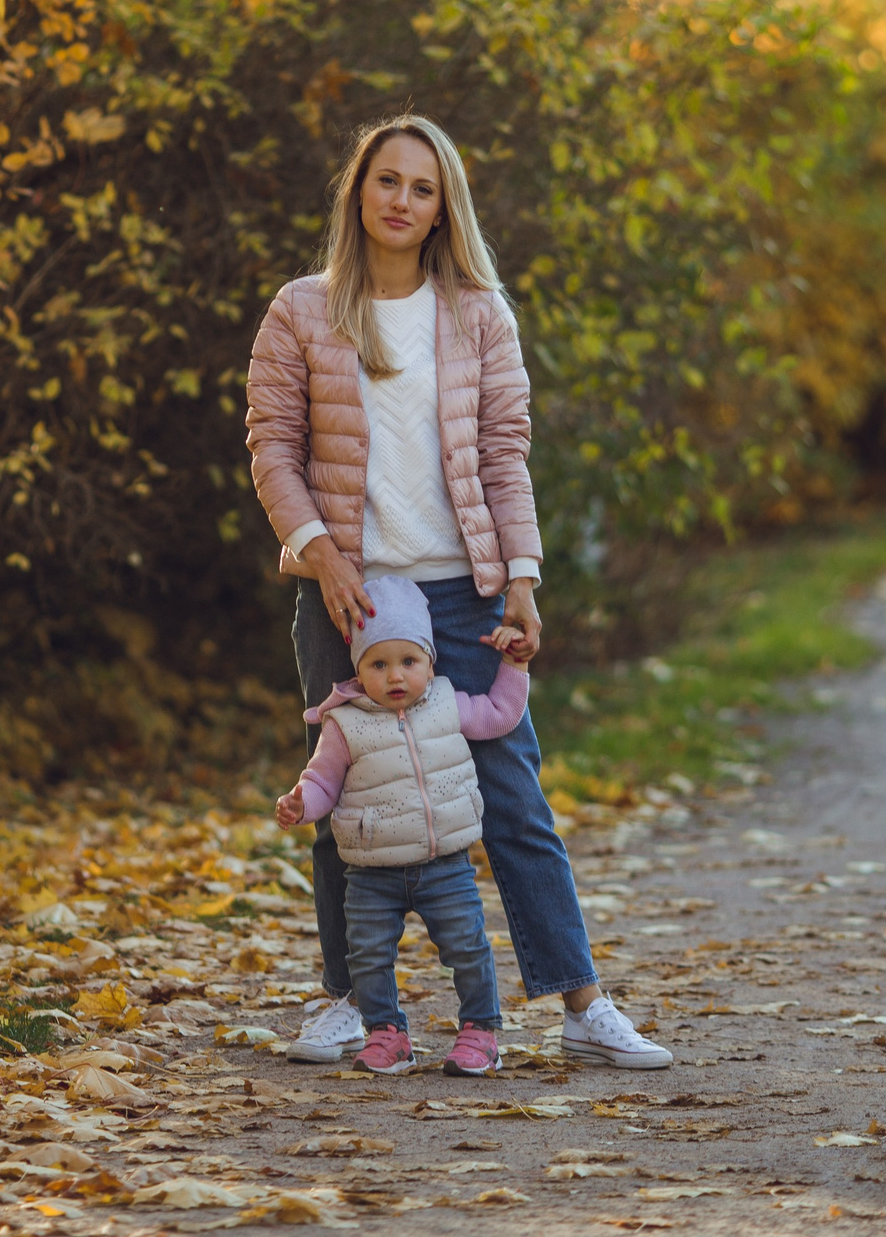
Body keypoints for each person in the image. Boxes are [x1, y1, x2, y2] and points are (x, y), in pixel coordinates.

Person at [245, 113, 672, 1070]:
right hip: (349, 595)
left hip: (463, 591)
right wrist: (320, 553)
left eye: (422, 187)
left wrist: (522, 577)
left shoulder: (480, 311)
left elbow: (505, 451)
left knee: (514, 795)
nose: (401, 199)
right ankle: (348, 1001)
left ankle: (581, 1001)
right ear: (360, 190)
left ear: (444, 209)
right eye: (387, 180)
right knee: (347, 796)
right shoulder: (302, 309)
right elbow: (271, 445)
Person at [275, 575, 525, 1076]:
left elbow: (500, 715)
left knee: (467, 947)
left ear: (431, 662)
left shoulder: (447, 703)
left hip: (445, 865)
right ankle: (387, 1035)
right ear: (357, 668)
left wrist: (515, 663)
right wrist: (303, 803)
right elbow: (323, 779)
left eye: (409, 662)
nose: (395, 676)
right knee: (367, 956)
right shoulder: (343, 723)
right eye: (378, 664)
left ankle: (480, 1031)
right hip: (371, 872)